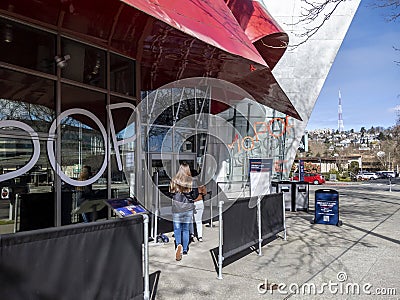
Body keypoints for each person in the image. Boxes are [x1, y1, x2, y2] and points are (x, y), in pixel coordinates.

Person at [170, 163, 198, 261]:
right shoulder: (191, 181)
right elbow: (195, 196)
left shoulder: (174, 180)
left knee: (177, 229)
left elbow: (171, 193)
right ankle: (185, 249)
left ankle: (179, 245)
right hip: (188, 209)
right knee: (186, 229)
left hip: (176, 209)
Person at [189, 169, 206, 242]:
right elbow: (205, 192)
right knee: (199, 221)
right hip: (200, 202)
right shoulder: (200, 183)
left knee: (191, 220)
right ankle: (200, 237)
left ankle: (192, 234)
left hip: (191, 203)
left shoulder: (189, 183)